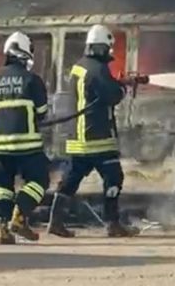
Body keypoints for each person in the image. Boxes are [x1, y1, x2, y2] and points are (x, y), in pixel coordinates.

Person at [47, 24, 138, 238]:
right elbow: (112, 95)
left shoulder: (79, 66)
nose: (109, 53)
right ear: (100, 48)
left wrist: (116, 83)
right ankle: (112, 223)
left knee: (70, 180)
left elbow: (94, 91)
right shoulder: (98, 69)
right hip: (97, 136)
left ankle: (55, 221)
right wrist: (123, 87)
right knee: (114, 177)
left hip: (77, 137)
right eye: (107, 48)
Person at [0, 31, 50, 245]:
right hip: (27, 145)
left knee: (2, 187)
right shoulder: (32, 80)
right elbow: (42, 112)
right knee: (39, 181)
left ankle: (3, 229)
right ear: (25, 54)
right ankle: (20, 215)